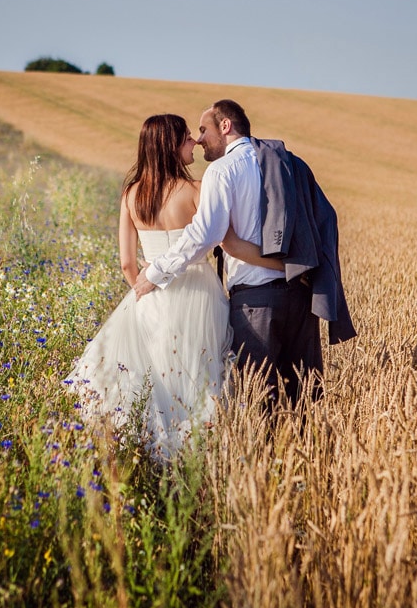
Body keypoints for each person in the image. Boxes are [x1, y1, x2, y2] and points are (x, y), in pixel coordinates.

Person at [65, 113, 281, 460]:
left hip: (149, 295)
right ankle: (195, 454)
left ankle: (151, 455)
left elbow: (126, 262)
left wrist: (142, 291)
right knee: (199, 378)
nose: (194, 142)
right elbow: (222, 240)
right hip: (200, 294)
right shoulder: (196, 190)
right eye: (186, 138)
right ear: (170, 145)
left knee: (153, 381)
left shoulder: (131, 195)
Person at [134, 99, 355, 408]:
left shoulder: (222, 171)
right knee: (307, 403)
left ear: (225, 126)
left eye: (202, 130)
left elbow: (206, 235)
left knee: (258, 404)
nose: (198, 140)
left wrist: (155, 273)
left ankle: (266, 458)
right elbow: (324, 220)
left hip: (255, 303)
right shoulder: (289, 163)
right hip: (301, 298)